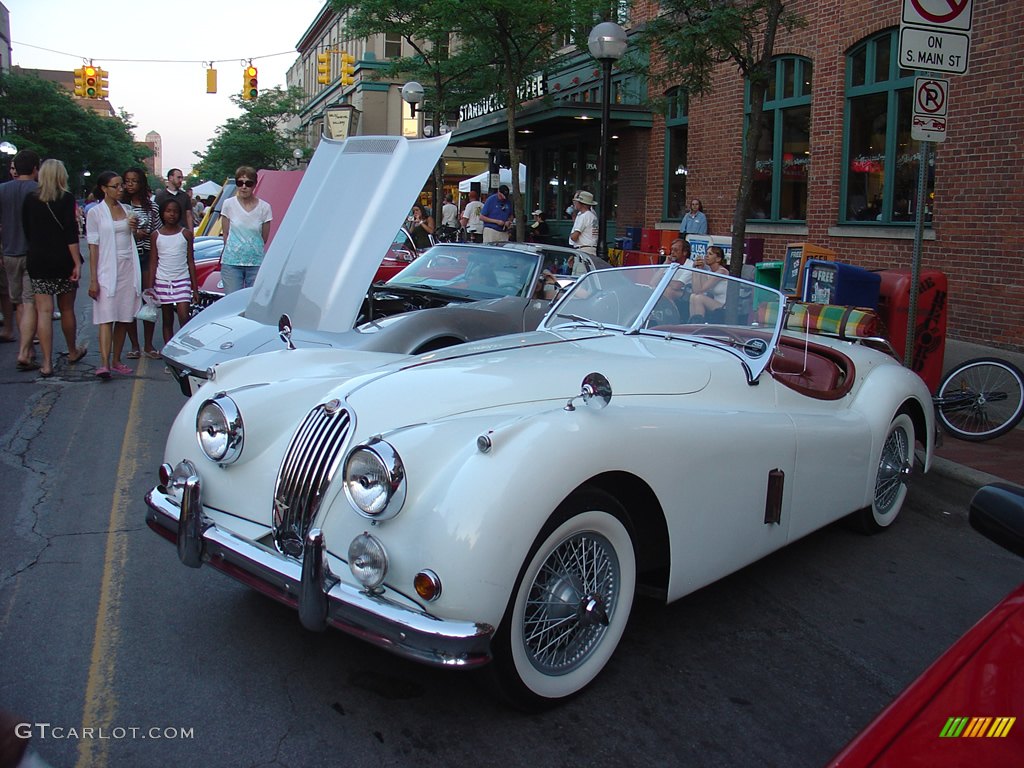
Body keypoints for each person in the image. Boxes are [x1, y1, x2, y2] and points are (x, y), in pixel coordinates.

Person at [21, 159, 87, 377]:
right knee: (67, 309)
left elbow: (27, 230)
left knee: (44, 311)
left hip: (38, 259)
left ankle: (47, 363)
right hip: (63, 259)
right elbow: (70, 233)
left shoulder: (30, 199)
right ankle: (72, 350)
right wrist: (77, 262)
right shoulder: (66, 199)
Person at [86, 171, 143, 378]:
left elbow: (134, 237)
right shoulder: (95, 213)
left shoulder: (127, 210)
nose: (120, 189)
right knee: (106, 316)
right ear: (104, 189)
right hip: (107, 268)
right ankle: (104, 362)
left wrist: (134, 229)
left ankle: (117, 359)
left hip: (128, 266)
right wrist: (93, 279)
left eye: (121, 186)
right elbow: (93, 246)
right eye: (115, 186)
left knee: (123, 316)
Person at [0, 149, 40, 370]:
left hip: (9, 253)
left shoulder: (3, 190)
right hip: (33, 254)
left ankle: (27, 349)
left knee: (19, 304)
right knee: (31, 302)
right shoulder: (39, 191)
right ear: (35, 169)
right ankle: (26, 351)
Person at [121, 167, 160, 359]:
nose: (130, 184)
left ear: (141, 183)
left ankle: (149, 344)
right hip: (127, 257)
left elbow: (157, 232)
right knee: (130, 300)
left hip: (146, 255)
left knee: (148, 298)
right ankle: (134, 345)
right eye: (127, 181)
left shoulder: (151, 207)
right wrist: (134, 234)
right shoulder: (120, 207)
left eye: (134, 181)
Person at [149, 198, 197, 345]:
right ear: (162, 213)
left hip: (182, 280)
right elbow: (153, 262)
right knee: (167, 319)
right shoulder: (156, 235)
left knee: (184, 316)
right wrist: (150, 287)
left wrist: (195, 288)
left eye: (175, 211)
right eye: (168, 211)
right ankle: (169, 352)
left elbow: (190, 261)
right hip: (162, 281)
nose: (172, 214)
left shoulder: (186, 234)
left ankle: (184, 348)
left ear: (180, 214)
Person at [220, 166, 272, 293]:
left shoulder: (264, 207)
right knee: (232, 302)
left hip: (255, 263)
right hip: (232, 263)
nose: (244, 187)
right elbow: (225, 233)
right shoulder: (228, 204)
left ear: (254, 185)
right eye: (240, 183)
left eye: (248, 183)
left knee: (252, 303)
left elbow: (264, 237)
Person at [689, 245, 730, 322]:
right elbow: (696, 290)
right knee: (693, 296)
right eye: (706, 253)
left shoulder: (722, 272)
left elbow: (702, 289)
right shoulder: (709, 272)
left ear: (718, 259)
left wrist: (700, 271)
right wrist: (696, 269)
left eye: (710, 254)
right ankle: (692, 323)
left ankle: (698, 324)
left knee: (699, 298)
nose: (706, 256)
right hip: (715, 305)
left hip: (724, 307)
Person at [568, 190, 598, 274]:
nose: (575, 203)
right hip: (587, 250)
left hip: (583, 252)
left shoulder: (584, 216)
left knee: (580, 280)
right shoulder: (592, 215)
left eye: (576, 201)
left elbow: (574, 237)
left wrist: (571, 235)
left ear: (581, 203)